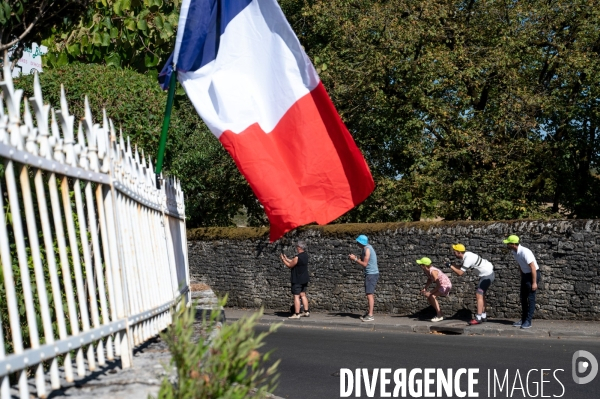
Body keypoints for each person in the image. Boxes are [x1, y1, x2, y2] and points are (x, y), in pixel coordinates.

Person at [446, 244, 495, 325]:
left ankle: (478, 318)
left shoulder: (468, 259)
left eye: (454, 252)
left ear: (459, 252)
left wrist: (450, 266)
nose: (453, 253)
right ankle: (483, 315)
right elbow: (461, 267)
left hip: (487, 275)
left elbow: (460, 273)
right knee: (482, 295)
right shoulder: (467, 255)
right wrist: (454, 265)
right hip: (488, 273)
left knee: (478, 295)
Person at [503, 235, 541, 329]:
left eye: (508, 243)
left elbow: (533, 267)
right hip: (525, 275)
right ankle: (523, 319)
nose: (507, 244)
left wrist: (534, 282)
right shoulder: (514, 252)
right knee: (523, 298)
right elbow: (520, 264)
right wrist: (522, 276)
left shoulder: (525, 252)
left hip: (532, 275)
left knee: (531, 299)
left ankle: (528, 321)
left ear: (513, 244)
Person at [349, 235, 379, 322]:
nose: (357, 243)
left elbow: (365, 264)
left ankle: (370, 315)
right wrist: (356, 258)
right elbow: (363, 260)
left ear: (361, 242)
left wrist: (355, 259)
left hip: (371, 274)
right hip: (370, 274)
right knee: (369, 294)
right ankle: (369, 312)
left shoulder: (367, 249)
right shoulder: (366, 249)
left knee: (369, 294)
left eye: (358, 241)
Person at [280, 241, 310, 319]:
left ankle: (297, 314)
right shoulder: (305, 256)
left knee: (296, 296)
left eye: (297, 247)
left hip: (297, 279)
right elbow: (294, 262)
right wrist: (287, 258)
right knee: (303, 295)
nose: (296, 248)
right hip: (304, 279)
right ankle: (306, 312)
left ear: (299, 248)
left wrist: (283, 260)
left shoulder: (298, 257)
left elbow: (290, 265)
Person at [417, 257, 452, 322]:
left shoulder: (432, 271)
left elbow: (439, 285)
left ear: (424, 265)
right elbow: (430, 279)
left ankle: (439, 315)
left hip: (445, 285)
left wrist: (430, 292)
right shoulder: (427, 270)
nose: (419, 266)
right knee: (429, 298)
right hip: (442, 285)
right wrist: (425, 288)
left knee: (432, 296)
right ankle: (441, 314)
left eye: (420, 264)